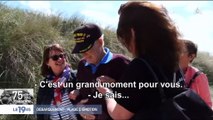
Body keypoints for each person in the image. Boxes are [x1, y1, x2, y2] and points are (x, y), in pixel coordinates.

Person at [96, 1, 186, 119]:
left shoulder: (140, 66)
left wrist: (107, 92)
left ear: (132, 33)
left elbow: (119, 115)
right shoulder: (173, 63)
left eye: (124, 37)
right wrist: (117, 85)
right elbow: (152, 92)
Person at [70, 23, 130, 120]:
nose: (84, 55)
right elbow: (80, 93)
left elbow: (136, 96)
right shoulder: (82, 65)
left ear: (100, 41)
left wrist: (116, 85)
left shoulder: (122, 63)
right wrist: (78, 106)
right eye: (80, 50)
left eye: (87, 49)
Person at [36, 44, 77, 120]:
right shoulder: (44, 86)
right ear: (47, 62)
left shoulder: (76, 77)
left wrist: (78, 91)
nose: (60, 59)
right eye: (55, 57)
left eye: (62, 56)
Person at [179, 39, 212, 107]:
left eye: (179, 50)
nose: (175, 53)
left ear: (191, 56)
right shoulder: (165, 72)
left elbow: (207, 104)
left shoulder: (198, 76)